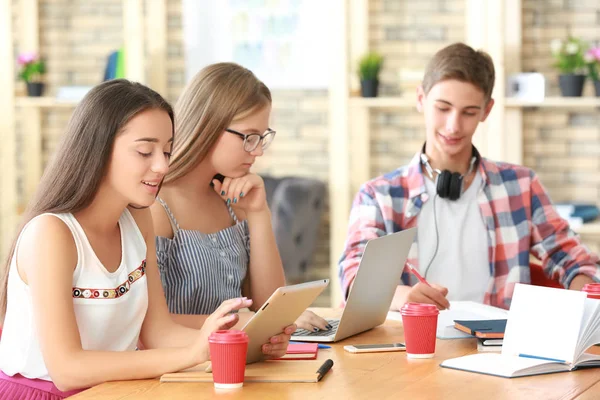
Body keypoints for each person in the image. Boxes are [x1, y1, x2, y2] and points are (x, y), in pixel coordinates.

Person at [0, 79, 293, 399]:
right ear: (98, 148)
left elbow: (157, 332)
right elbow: (67, 370)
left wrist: (246, 340)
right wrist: (193, 353)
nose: (162, 165)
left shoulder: (138, 218)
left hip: (115, 391)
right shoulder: (52, 234)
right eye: (145, 151)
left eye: (167, 150)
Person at [338, 42, 600, 312]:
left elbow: (575, 262)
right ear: (420, 99)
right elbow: (353, 279)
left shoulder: (521, 187)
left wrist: (587, 306)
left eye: (469, 112)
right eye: (443, 108)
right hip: (410, 347)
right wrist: (402, 297)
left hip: (498, 348)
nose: (453, 125)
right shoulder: (378, 196)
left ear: (486, 111)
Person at [151, 63, 330, 332]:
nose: (257, 151)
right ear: (207, 126)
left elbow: (269, 305)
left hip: (234, 360)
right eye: (249, 137)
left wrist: (259, 213)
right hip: (180, 366)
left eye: (262, 137)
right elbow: (148, 322)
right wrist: (243, 321)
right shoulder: (157, 207)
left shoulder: (234, 203)